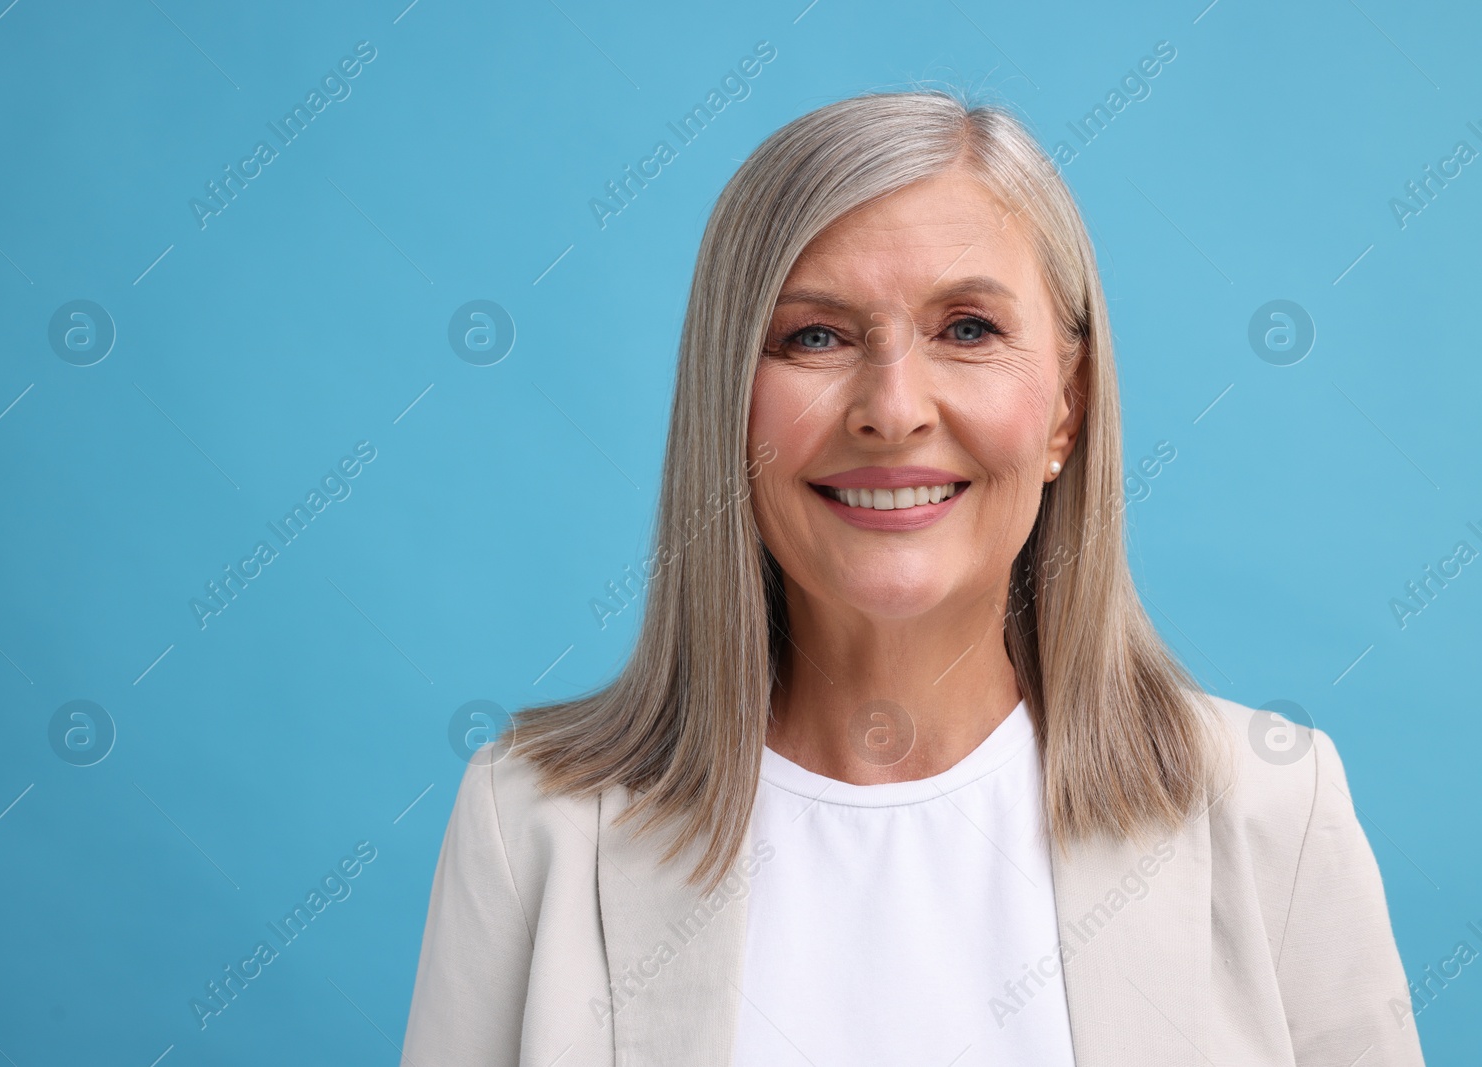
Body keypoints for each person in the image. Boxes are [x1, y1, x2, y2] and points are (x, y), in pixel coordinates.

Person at [401, 89, 1425, 1067]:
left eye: (967, 329)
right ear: (727, 403)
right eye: (815, 335)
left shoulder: (1269, 805)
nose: (892, 409)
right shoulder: (530, 820)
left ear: (1067, 404)